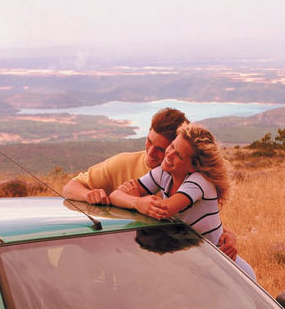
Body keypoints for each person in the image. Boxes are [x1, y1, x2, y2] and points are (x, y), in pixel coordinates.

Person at [62, 107, 238, 259]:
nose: (151, 152)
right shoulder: (125, 164)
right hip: (127, 255)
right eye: (149, 141)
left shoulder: (188, 178)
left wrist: (226, 235)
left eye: (161, 148)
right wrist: (90, 195)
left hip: (170, 259)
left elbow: (193, 218)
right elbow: (70, 188)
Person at [109, 122, 256, 280]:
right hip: (198, 267)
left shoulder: (199, 181)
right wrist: (137, 203)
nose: (169, 154)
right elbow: (114, 196)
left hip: (228, 272)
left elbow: (164, 210)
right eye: (172, 146)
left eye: (178, 155)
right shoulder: (164, 174)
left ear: (193, 166)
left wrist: (136, 199)